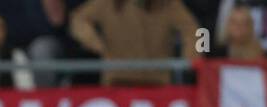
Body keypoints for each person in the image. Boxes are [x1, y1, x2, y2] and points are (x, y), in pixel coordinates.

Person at [69, 0, 198, 86]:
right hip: (117, 82)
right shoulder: (107, 3)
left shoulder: (168, 4)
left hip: (156, 84)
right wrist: (95, 43)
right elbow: (78, 19)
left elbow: (198, 31)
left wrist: (193, 59)